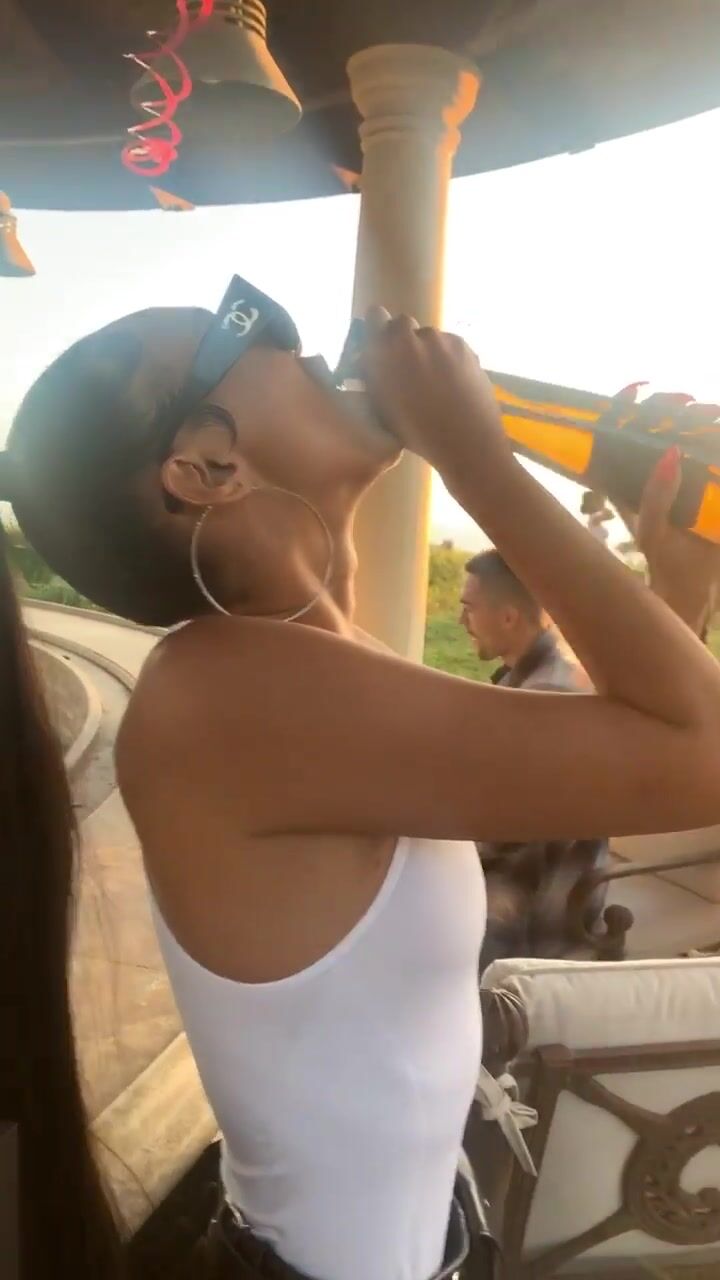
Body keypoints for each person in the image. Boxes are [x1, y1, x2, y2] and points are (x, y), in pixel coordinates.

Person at [4, 291, 720, 1280]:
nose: (310, 343)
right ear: (205, 467)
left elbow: (619, 755)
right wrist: (473, 455)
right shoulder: (226, 694)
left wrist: (676, 588)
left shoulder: (304, 672)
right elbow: (702, 754)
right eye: (258, 326)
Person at [459, 551, 608, 966]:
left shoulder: (548, 695)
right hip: (519, 865)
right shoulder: (524, 677)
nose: (461, 621)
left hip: (543, 895)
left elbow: (504, 828)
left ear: (508, 617)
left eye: (469, 608)